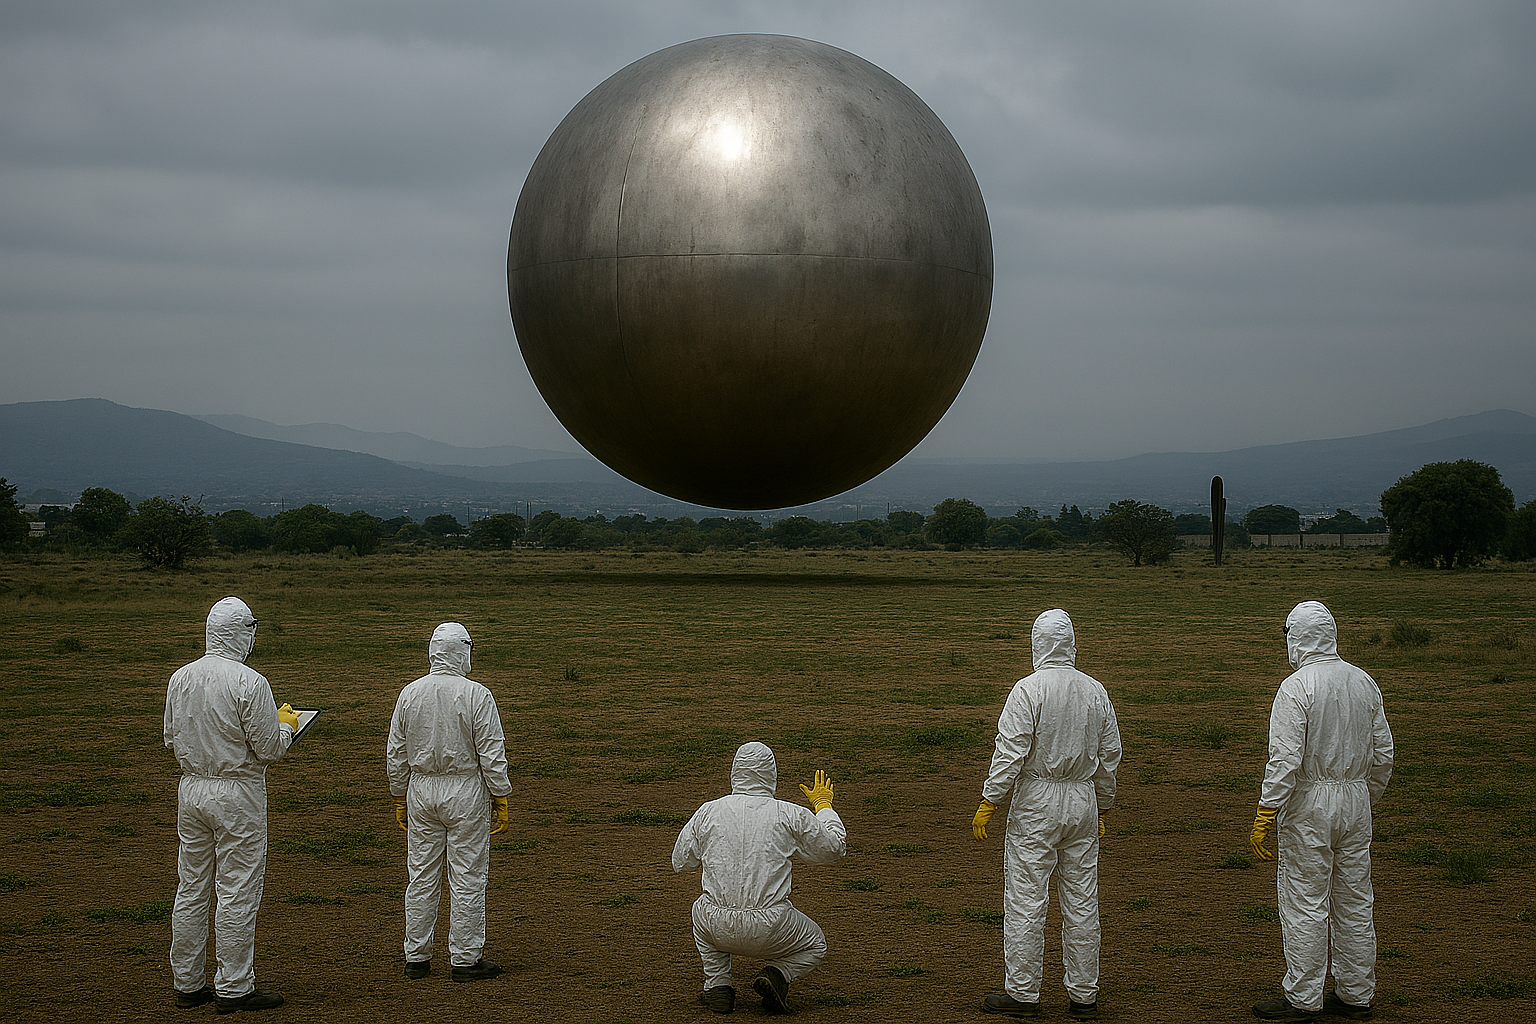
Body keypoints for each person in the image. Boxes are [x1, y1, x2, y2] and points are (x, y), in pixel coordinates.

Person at [972, 608, 1122, 1021]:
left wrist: (990, 800)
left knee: (1026, 897)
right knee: (1082, 898)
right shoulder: (1095, 690)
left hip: (1037, 802)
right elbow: (1110, 755)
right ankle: (1084, 994)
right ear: (1073, 642)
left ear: (1036, 643)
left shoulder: (1028, 689)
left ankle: (1023, 993)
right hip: (1082, 801)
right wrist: (1103, 804)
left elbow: (1010, 751)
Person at [1248, 601, 1394, 1022]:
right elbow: (1383, 753)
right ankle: (1356, 993)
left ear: (1296, 637)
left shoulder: (1297, 687)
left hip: (1310, 803)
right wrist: (1366, 798)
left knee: (1305, 900)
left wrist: (1266, 811)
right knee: (1354, 899)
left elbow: (1285, 759)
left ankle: (1303, 996)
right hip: (1355, 800)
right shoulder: (1364, 682)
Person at [165, 596, 297, 1013]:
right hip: (236, 792)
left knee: (191, 885)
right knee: (237, 888)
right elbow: (269, 749)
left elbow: (171, 739)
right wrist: (287, 726)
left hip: (191, 789)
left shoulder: (180, 678)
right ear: (242, 632)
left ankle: (187, 982)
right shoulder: (249, 682)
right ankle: (235, 986)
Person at [672, 741, 846, 1015]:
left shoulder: (708, 811)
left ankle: (718, 986)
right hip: (772, 928)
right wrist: (823, 806)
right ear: (772, 774)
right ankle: (777, 974)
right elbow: (834, 849)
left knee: (699, 909)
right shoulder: (790, 814)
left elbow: (680, 862)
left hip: (717, 927)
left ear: (735, 772)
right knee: (816, 944)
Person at [386, 622, 512, 982]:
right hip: (465, 791)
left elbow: (396, 751)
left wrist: (399, 793)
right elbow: (491, 751)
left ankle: (417, 956)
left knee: (421, 875)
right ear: (464, 651)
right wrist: (499, 793)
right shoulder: (477, 694)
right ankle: (465, 958)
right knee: (468, 875)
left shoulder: (409, 693)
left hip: (421, 791)